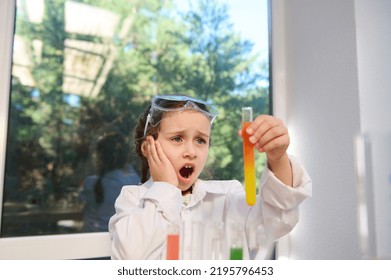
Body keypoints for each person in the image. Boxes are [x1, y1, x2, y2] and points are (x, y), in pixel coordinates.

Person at [108, 95, 312, 259]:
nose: (191, 151)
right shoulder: (133, 199)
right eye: (177, 138)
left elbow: (277, 221)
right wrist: (165, 187)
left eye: (200, 140)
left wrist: (278, 159)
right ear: (148, 147)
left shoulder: (228, 196)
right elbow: (128, 258)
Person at [80, 131, 140, 232]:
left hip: (91, 239)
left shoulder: (91, 183)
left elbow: (80, 204)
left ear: (100, 158)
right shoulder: (135, 180)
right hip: (122, 241)